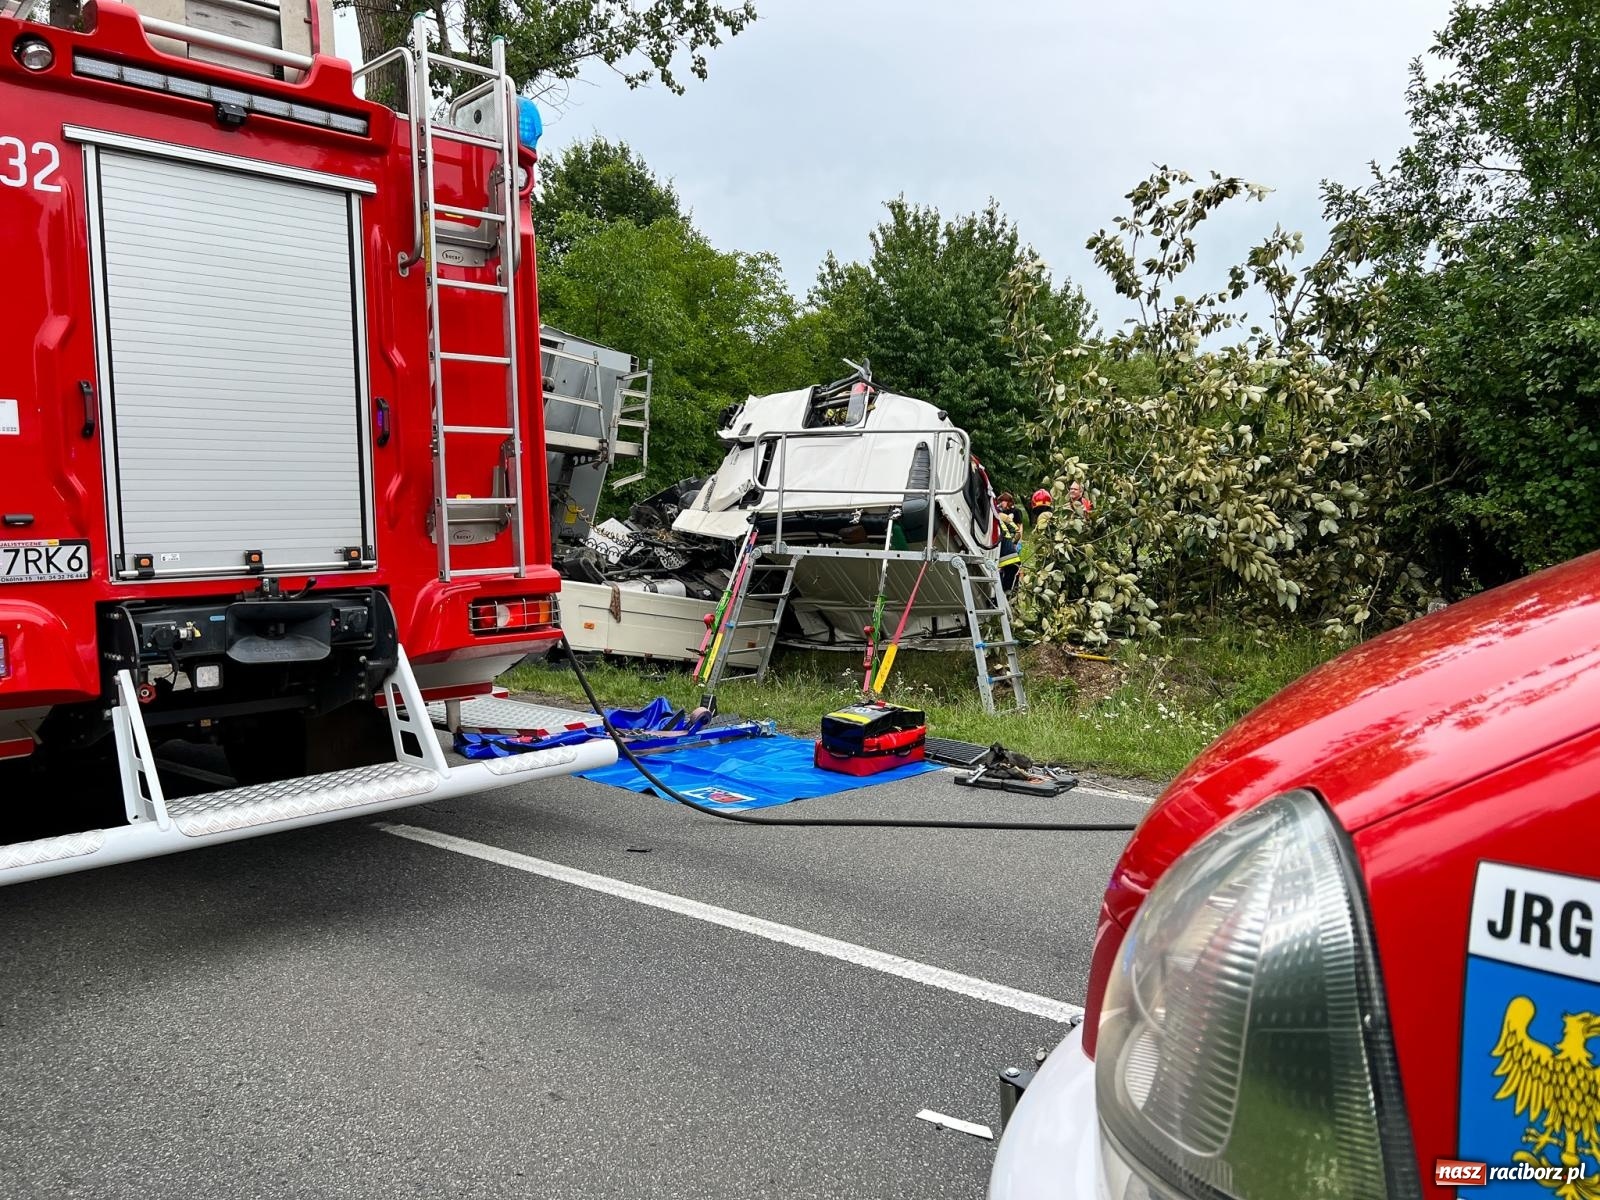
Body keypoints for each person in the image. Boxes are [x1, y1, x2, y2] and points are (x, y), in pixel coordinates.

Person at [995, 492, 1022, 593]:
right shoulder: (1002, 517)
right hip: (1009, 556)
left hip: (1001, 556)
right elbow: (1017, 532)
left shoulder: (998, 517)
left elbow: (1018, 529)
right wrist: (1012, 542)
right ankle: (1007, 595)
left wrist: (1013, 542)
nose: (1001, 504)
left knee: (1002, 578)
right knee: (1009, 580)